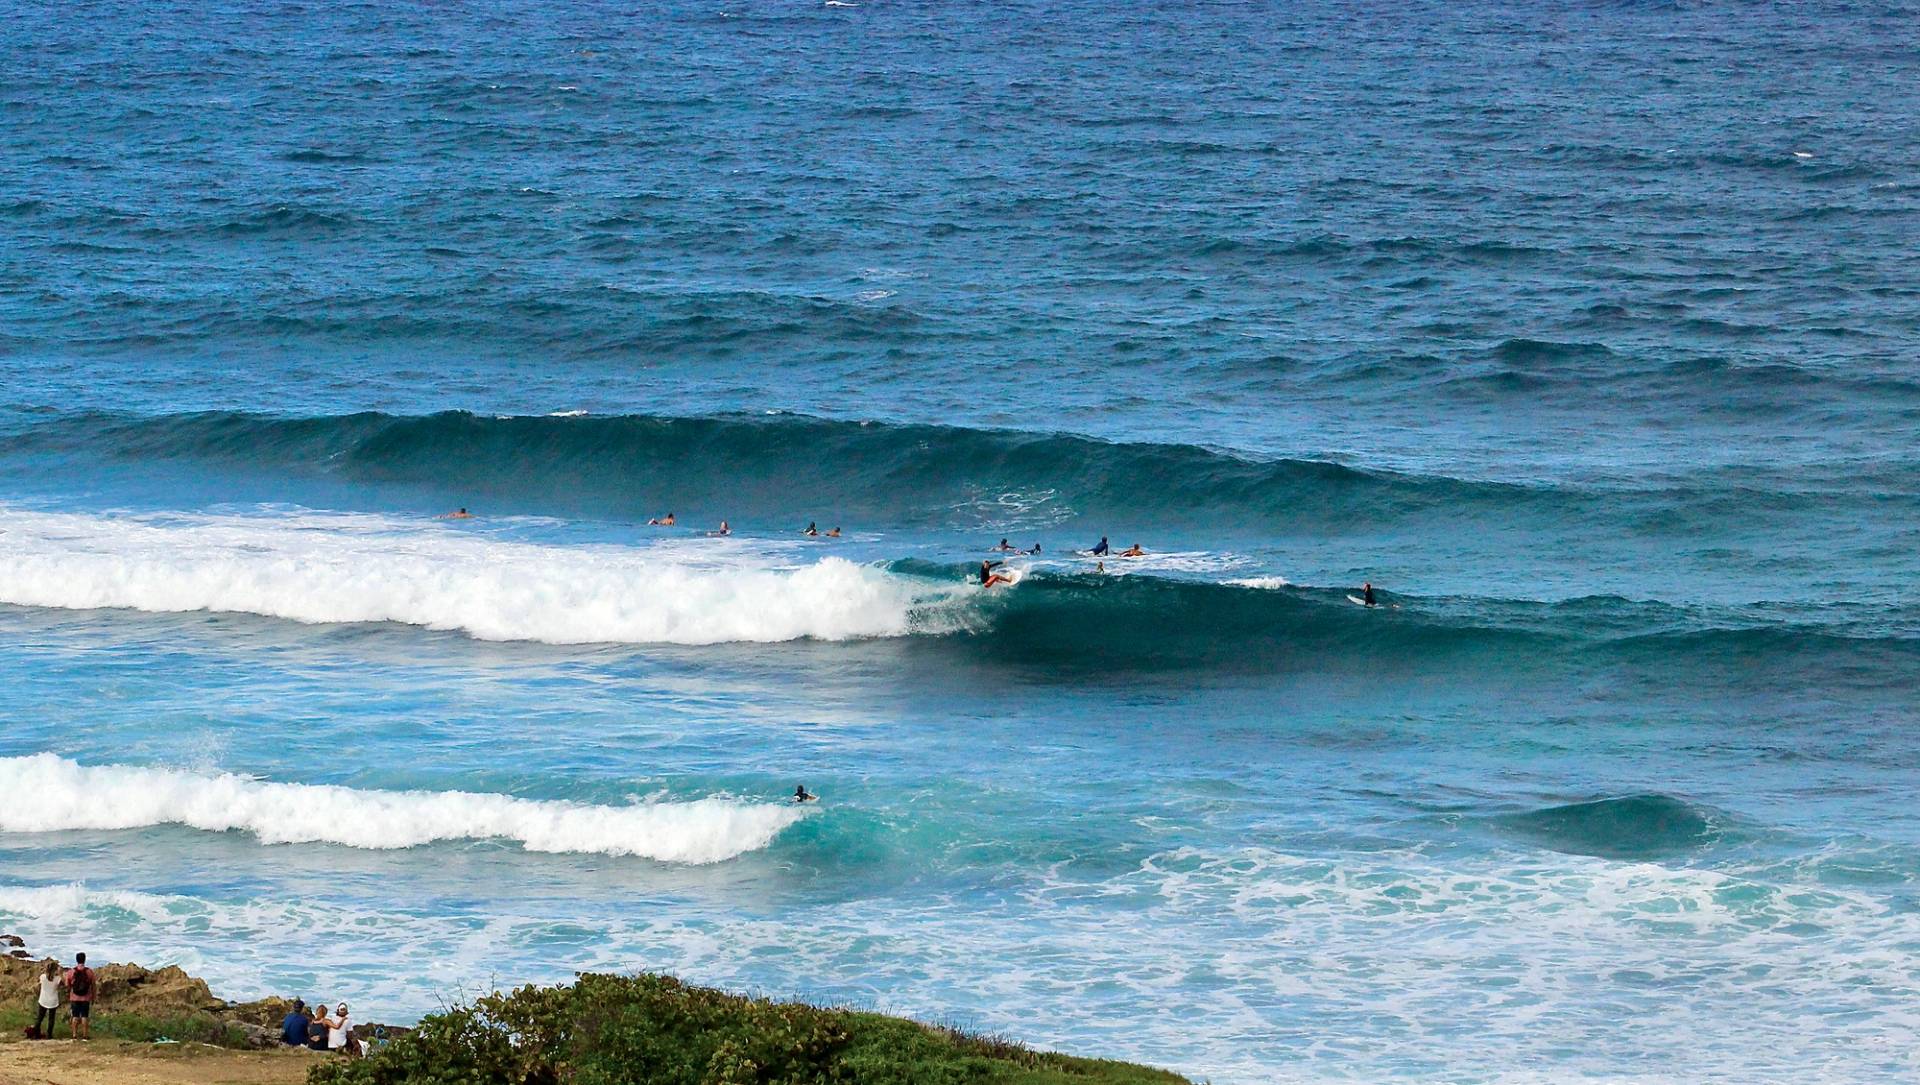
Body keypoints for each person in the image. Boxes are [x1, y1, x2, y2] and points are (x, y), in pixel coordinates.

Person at [65, 952, 95, 1039]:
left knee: (75, 1016)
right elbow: (93, 985)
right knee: (84, 1016)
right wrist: (93, 996)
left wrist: (70, 992)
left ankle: (74, 1035)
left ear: (76, 960)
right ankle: (85, 1035)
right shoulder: (89, 972)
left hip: (74, 998)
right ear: (84, 960)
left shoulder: (71, 972)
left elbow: (67, 984)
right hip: (86, 998)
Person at [34, 959, 60, 1039]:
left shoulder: (42, 977)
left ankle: (36, 1034)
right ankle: (49, 1035)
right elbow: (63, 984)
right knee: (51, 1019)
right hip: (53, 1001)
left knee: (40, 1018)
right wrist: (61, 973)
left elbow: (39, 985)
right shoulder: (57, 979)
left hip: (43, 999)